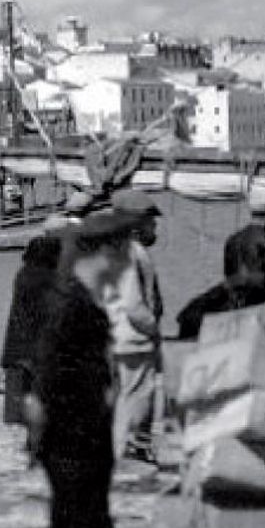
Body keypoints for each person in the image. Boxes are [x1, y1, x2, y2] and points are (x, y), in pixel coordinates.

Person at [24, 210, 135, 528]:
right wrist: (44, 438)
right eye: (123, 249)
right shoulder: (71, 305)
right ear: (105, 252)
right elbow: (46, 380)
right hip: (74, 446)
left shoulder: (81, 301)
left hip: (81, 442)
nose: (128, 258)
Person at [105, 189, 166, 463]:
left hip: (111, 335)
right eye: (150, 222)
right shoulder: (132, 253)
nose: (154, 228)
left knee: (118, 397)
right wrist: (151, 326)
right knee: (138, 395)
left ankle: (118, 449)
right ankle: (132, 450)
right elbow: (133, 302)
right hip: (132, 339)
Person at [1, 220, 64, 426]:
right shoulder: (45, 278)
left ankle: (14, 417)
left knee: (17, 381)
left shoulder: (23, 273)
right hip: (35, 340)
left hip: (17, 337)